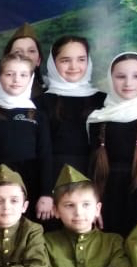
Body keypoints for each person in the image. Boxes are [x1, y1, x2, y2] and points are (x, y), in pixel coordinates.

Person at [0, 51, 54, 221]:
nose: (16, 80)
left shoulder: (38, 115)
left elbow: (45, 155)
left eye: (23, 75)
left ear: (31, 78)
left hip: (31, 182)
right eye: (9, 74)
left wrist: (46, 193)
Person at [86, 51, 137, 236]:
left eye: (136, 76)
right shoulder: (98, 118)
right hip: (108, 194)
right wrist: (92, 203)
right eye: (121, 76)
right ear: (110, 78)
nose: (128, 83)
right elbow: (92, 165)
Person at [36, 35, 104, 179]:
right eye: (65, 60)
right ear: (53, 63)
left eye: (81, 59)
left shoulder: (103, 100)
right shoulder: (40, 103)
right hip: (52, 176)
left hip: (95, 176)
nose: (74, 66)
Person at [3, 22, 45, 97]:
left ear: (38, 60)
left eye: (31, 51)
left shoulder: (47, 97)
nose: (25, 56)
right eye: (18, 52)